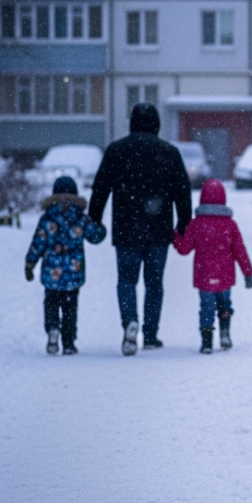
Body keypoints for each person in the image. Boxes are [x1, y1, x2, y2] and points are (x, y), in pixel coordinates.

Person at [89, 103, 192, 356]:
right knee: (154, 283)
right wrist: (183, 222)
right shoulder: (169, 152)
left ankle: (130, 323)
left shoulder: (116, 150)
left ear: (132, 122)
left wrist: (95, 218)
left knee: (127, 280)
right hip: (159, 229)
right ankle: (151, 334)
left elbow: (100, 188)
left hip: (126, 229)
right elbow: (183, 191)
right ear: (156, 124)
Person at [26, 176, 107, 355]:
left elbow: (38, 242)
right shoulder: (80, 217)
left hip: (51, 272)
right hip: (73, 271)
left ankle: (53, 329)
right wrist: (101, 227)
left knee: (51, 302)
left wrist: (30, 263)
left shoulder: (47, 217)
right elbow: (95, 237)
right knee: (70, 307)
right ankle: (69, 342)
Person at [173, 179, 252, 354]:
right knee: (225, 306)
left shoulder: (196, 224)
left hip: (204, 274)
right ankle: (224, 331)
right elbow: (240, 250)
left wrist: (175, 236)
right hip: (225, 275)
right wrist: (248, 272)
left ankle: (207, 341)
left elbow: (184, 249)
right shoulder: (230, 225)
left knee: (206, 308)